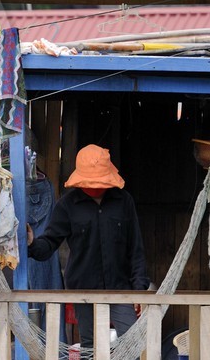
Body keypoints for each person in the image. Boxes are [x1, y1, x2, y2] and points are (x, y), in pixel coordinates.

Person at [26, 144, 148, 344]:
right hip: (83, 289)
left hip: (121, 288)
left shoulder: (124, 201)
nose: (95, 187)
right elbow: (49, 243)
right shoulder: (67, 205)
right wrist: (31, 244)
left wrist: (139, 291)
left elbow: (136, 248)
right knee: (90, 347)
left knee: (133, 346)